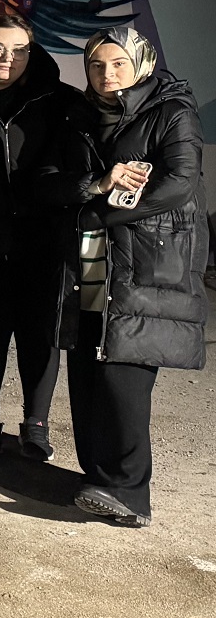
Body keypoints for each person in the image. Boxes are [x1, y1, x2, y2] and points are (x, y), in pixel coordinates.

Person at [34, 27, 206, 528]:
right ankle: (97, 477)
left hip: (146, 260)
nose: (106, 74)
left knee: (124, 373)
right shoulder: (79, 115)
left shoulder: (172, 111)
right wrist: (95, 184)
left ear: (141, 65)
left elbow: (179, 184)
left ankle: (131, 492)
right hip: (90, 256)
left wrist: (100, 214)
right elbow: (48, 182)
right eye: (96, 65)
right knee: (89, 361)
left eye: (118, 64)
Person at [0, 15, 83, 460]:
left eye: (20, 50)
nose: (8, 58)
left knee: (39, 338)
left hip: (43, 242)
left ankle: (36, 424)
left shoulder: (60, 102)